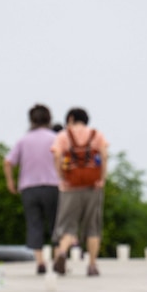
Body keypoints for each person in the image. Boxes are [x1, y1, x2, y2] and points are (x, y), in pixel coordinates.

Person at [50, 108, 108, 276]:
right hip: (93, 185)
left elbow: (56, 156)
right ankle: (92, 265)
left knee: (68, 225)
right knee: (93, 226)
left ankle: (61, 251)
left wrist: (61, 176)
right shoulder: (97, 135)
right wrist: (101, 179)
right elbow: (104, 156)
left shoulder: (63, 136)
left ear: (71, 118)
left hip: (70, 186)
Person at [4, 104, 60, 274]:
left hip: (29, 187)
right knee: (56, 224)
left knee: (34, 224)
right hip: (53, 185)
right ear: (49, 119)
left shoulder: (24, 139)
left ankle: (40, 261)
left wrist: (10, 182)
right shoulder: (55, 138)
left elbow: (8, 161)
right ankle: (58, 259)